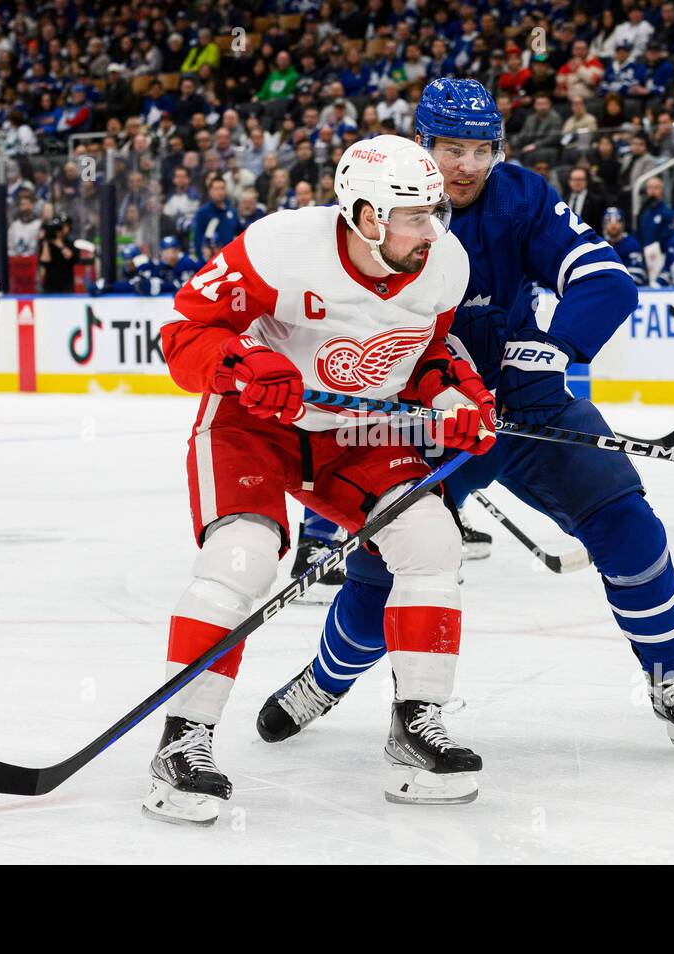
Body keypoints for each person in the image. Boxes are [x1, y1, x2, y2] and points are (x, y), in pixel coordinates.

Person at [256, 79, 674, 764]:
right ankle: (324, 680)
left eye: (482, 149)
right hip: (429, 417)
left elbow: (605, 279)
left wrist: (559, 349)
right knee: (383, 571)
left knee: (628, 522)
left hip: (526, 403)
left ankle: (672, 681)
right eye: (452, 149)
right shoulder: (383, 206)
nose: (468, 167)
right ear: (421, 145)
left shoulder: (522, 196)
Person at [147, 134, 497, 824]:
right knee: (240, 557)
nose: (433, 228)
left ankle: (415, 728)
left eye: (434, 212)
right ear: (366, 217)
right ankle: (182, 739)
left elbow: (427, 358)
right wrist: (244, 361)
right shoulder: (280, 247)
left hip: (353, 433)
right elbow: (185, 335)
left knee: (431, 540)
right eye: (414, 215)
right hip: (253, 423)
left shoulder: (443, 265)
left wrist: (459, 403)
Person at [602, 206, 647, 285]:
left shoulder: (632, 244)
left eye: (617, 221)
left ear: (623, 224)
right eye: (608, 221)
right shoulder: (600, 245)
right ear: (604, 225)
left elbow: (638, 276)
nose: (613, 225)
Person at [38, 216, 77, 293]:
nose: (58, 232)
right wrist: (45, 240)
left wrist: (60, 245)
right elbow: (44, 261)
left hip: (66, 284)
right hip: (50, 285)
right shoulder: (47, 244)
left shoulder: (70, 243)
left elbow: (70, 256)